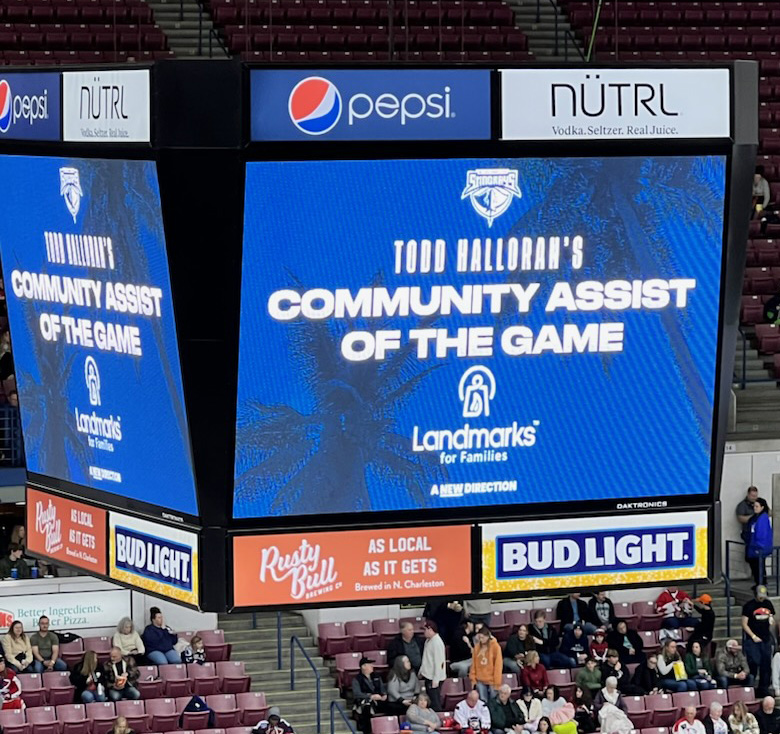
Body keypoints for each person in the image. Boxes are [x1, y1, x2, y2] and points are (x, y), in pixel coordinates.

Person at [741, 584, 775, 697]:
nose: (762, 598)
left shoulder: (768, 603)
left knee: (766, 665)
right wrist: (753, 636)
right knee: (754, 663)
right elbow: (744, 623)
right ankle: (750, 688)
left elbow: (771, 615)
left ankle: (763, 688)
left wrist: (771, 619)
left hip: (765, 639)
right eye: (760, 595)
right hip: (752, 639)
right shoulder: (749, 606)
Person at [352, 657, 389, 734]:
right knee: (367, 707)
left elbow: (382, 689)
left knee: (393, 706)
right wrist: (371, 696)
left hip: (379, 701)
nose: (372, 666)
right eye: (370, 664)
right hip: (366, 702)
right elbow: (357, 694)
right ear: (363, 666)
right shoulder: (357, 679)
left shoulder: (377, 676)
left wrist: (384, 695)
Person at [470, 626, 502, 702]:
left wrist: (497, 683)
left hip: (492, 680)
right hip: (480, 679)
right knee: (482, 702)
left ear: (488, 636)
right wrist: (473, 679)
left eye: (483, 637)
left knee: (493, 702)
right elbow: (473, 665)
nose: (481, 640)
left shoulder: (495, 647)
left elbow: (498, 665)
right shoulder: (477, 648)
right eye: (479, 638)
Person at [419, 622, 446, 711]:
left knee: (435, 702)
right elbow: (426, 658)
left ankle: (438, 716)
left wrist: (436, 680)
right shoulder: (428, 641)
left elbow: (439, 663)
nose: (424, 632)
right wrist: (422, 671)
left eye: (425, 630)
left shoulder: (437, 643)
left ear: (430, 629)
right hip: (428, 675)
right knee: (430, 701)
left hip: (434, 678)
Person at [746, 499, 773, 585]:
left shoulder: (762, 518)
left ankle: (761, 584)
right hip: (754, 546)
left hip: (758, 547)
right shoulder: (756, 517)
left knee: (759, 567)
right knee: (756, 567)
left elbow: (761, 534)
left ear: (762, 507)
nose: (755, 508)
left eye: (757, 506)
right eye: (754, 506)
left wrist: (758, 547)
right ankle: (759, 584)